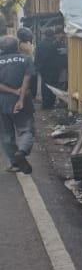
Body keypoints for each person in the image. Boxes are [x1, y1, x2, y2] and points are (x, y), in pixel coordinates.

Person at [0, 35, 34, 174]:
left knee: (6, 134)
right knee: (26, 129)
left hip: (2, 102)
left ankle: (15, 163)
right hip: (23, 100)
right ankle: (22, 151)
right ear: (17, 46)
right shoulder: (26, 59)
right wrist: (20, 97)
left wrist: (12, 91)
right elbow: (27, 79)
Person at [37, 27, 68, 109]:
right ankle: (50, 103)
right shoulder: (53, 44)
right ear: (53, 35)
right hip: (53, 69)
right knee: (53, 87)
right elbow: (55, 57)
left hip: (43, 69)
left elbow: (38, 57)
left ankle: (46, 104)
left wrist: (39, 68)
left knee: (45, 87)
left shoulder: (40, 44)